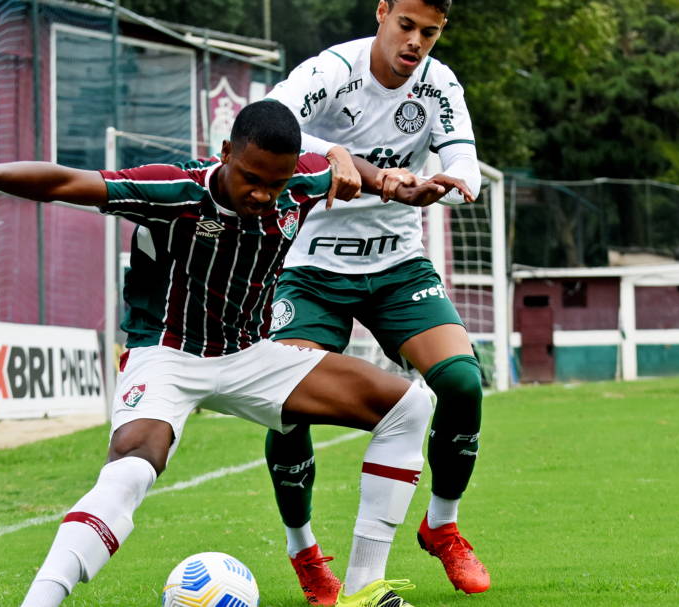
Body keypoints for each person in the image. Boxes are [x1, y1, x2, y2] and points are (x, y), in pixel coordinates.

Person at [0, 100, 472, 607]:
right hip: (167, 355)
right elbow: (67, 181)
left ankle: (363, 587)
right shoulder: (175, 189)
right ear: (226, 152)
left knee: (409, 406)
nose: (263, 195)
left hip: (250, 356)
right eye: (251, 178)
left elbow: (340, 168)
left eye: (276, 183)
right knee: (130, 470)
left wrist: (394, 185)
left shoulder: (299, 182)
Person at [262, 0, 488, 602]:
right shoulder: (332, 71)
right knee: (288, 404)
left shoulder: (439, 85)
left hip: (396, 266)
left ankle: (442, 526)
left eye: (429, 33)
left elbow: (465, 164)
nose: (415, 42)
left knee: (462, 382)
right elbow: (268, 124)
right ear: (383, 12)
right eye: (406, 26)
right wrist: (355, 163)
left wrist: (445, 186)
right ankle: (304, 551)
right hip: (310, 268)